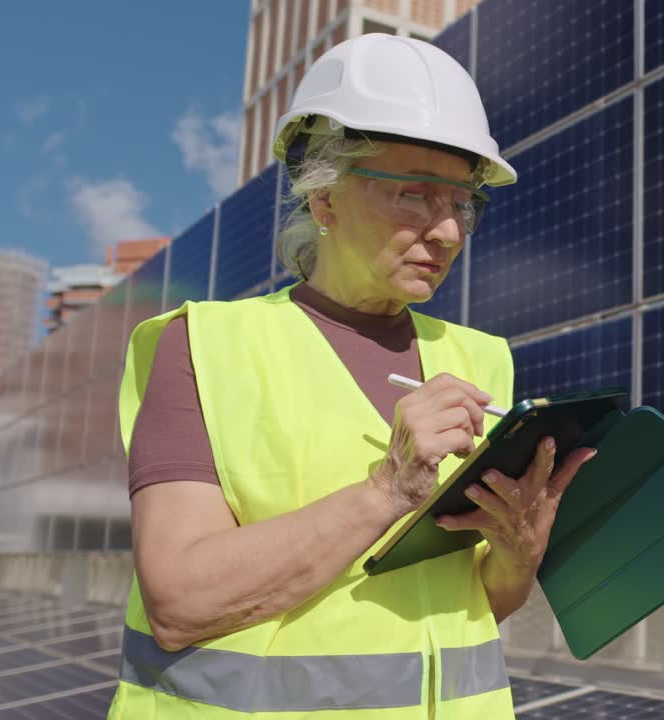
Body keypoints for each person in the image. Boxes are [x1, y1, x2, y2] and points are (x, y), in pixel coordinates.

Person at [108, 34, 594, 719]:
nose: (449, 231)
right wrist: (387, 491)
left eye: (462, 201)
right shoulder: (206, 347)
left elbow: (469, 607)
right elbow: (180, 603)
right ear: (324, 200)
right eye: (416, 195)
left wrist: (517, 556)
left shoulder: (483, 361)